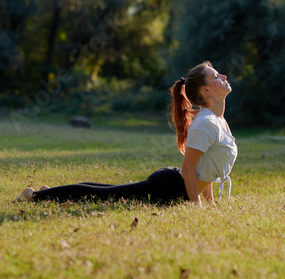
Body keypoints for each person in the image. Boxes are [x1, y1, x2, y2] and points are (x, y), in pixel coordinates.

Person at [14, 61, 237, 205]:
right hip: (167, 188)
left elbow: (204, 171)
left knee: (109, 192)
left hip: (175, 188)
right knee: (104, 197)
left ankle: (48, 192)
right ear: (206, 90)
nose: (224, 77)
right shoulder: (205, 123)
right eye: (217, 76)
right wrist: (197, 206)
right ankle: (35, 196)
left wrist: (209, 203)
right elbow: (189, 169)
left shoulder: (217, 121)